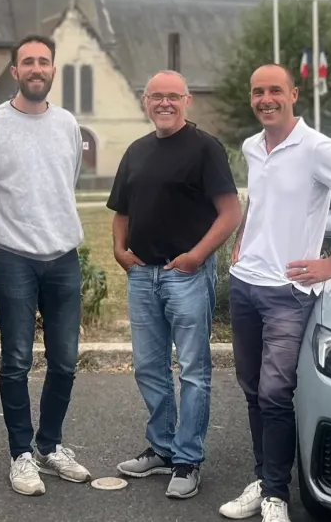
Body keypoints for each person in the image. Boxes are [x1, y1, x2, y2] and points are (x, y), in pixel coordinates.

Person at [218, 64, 331, 522]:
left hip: (290, 292)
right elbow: (260, 200)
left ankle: (276, 494)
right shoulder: (253, 146)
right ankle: (263, 476)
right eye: (257, 92)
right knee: (252, 389)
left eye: (274, 91)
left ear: (293, 94)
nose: (265, 99)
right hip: (247, 284)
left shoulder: (317, 148)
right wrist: (243, 238)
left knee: (274, 391)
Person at [108, 70, 243, 500]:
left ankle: (188, 459)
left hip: (185, 274)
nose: (164, 103)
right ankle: (162, 448)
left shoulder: (205, 148)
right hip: (142, 274)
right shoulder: (137, 151)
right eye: (156, 97)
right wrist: (119, 249)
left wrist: (197, 257)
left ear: (187, 101)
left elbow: (230, 213)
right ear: (145, 101)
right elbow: (121, 210)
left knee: (194, 371)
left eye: (173, 97)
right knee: (149, 368)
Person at [0, 33, 92, 496]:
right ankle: (21, 455)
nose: (37, 68)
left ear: (52, 69)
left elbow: (67, 186)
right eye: (28, 62)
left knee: (65, 361)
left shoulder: (67, 124)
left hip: (63, 257)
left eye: (44, 61)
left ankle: (50, 445)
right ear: (15, 71)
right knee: (16, 362)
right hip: (13, 258)